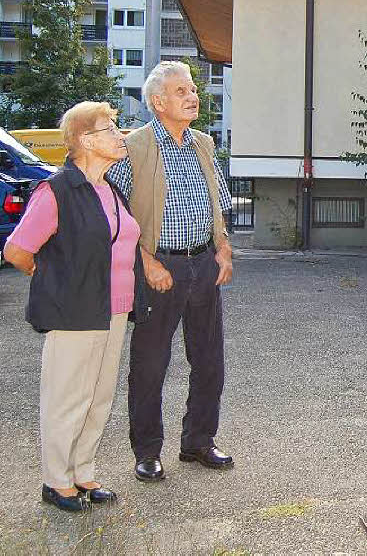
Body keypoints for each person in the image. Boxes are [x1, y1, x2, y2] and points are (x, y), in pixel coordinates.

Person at [4, 102, 149, 512]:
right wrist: (52, 277)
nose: (120, 135)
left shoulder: (110, 188)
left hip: (114, 309)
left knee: (99, 396)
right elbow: (17, 250)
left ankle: (82, 472)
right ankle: (56, 480)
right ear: (85, 139)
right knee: (67, 396)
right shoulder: (58, 189)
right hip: (75, 310)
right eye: (111, 128)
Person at [107, 61, 234, 482]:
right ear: (158, 102)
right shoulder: (136, 146)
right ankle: (147, 451)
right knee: (150, 365)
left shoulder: (203, 143)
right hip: (160, 267)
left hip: (204, 263)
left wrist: (223, 247)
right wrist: (146, 262)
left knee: (210, 361)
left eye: (193, 88)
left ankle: (198, 441)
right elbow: (116, 213)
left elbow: (218, 199)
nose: (193, 96)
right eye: (181, 91)